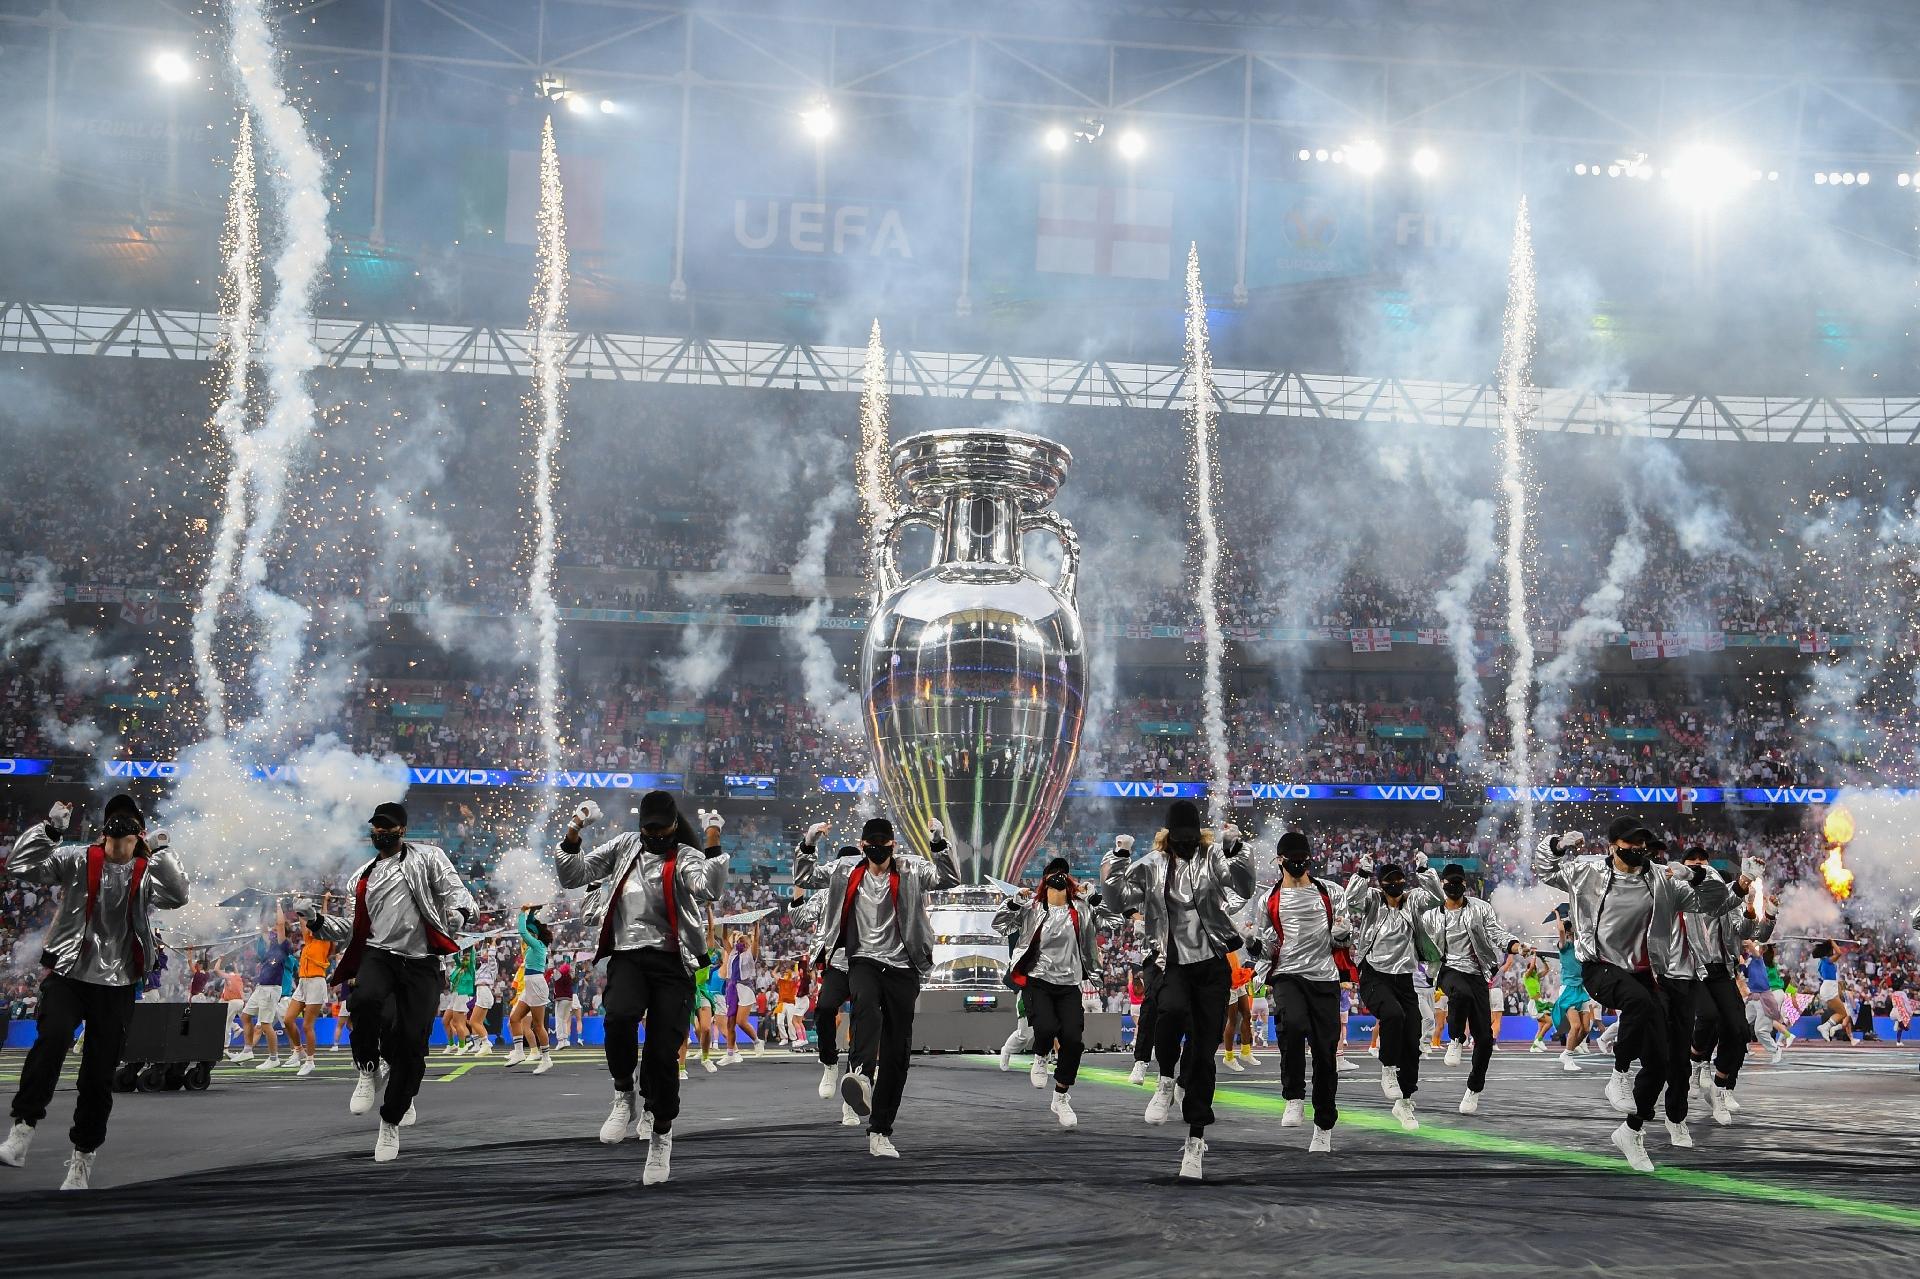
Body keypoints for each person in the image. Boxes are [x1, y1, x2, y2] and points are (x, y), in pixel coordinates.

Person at [0, 796, 189, 1190]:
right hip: (69, 974)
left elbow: (179, 895)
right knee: (50, 1043)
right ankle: (21, 1132)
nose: (119, 836)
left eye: (129, 829)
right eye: (113, 828)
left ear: (139, 836)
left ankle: (82, 1159)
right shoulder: (77, 858)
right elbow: (20, 865)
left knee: (98, 1076)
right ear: (104, 832)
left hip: (117, 984)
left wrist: (165, 852)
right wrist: (49, 831)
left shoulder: (146, 870)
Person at [1533, 820, 1738, 1173]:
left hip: (1645, 974)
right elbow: (1544, 868)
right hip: (1598, 966)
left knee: (1660, 1064)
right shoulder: (1587, 871)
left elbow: (1718, 905)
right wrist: (1556, 844)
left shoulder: (1660, 878)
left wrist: (1698, 878)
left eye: (1648, 845)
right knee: (1639, 1004)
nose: (1643, 850)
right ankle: (1620, 1074)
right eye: (1636, 844)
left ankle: (1630, 1131)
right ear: (1615, 844)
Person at [555, 792, 726, 1186]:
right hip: (629, 955)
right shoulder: (624, 847)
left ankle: (660, 1134)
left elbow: (710, 889)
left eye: (659, 828)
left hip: (672, 962)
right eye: (646, 828)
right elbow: (573, 875)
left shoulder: (685, 856)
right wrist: (574, 829)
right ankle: (623, 1095)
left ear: (672, 826)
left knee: (662, 1054)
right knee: (618, 1019)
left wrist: (713, 836)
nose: (651, 834)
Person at [299, 801, 478, 1164]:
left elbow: (457, 892)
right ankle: (366, 1067)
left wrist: (462, 913)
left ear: (402, 831)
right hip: (379, 955)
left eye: (387, 827)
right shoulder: (362, 877)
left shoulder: (429, 858)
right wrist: (316, 920)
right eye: (376, 827)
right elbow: (352, 929)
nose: (379, 832)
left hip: (422, 962)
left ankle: (391, 1119)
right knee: (362, 1001)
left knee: (411, 1046)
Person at [1100, 800, 1254, 1181]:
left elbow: (1243, 888)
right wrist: (1118, 857)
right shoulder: (1152, 865)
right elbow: (1117, 898)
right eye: (1179, 834)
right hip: (1169, 962)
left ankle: (1195, 1141)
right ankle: (1165, 1078)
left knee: (1203, 1054)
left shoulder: (1213, 856)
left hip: (1211, 964)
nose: (1186, 840)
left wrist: (1239, 851)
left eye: (1191, 833)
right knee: (1167, 1013)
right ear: (1168, 834)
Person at [805, 815, 960, 1159]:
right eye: (870, 845)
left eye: (884, 846)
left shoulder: (912, 869)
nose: (877, 851)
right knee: (865, 1008)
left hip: (903, 967)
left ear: (893, 846)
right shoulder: (846, 870)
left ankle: (880, 1131)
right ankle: (859, 1075)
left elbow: (948, 878)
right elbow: (806, 876)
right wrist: (809, 843)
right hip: (862, 960)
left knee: (898, 1052)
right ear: (862, 846)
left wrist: (938, 841)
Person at [1245, 830, 1354, 1152]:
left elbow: (1342, 940)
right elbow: (1267, 948)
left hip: (1324, 979)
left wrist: (1344, 935)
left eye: (1302, 859)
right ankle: (1293, 1096)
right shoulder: (1269, 900)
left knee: (1325, 1052)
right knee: (1291, 1028)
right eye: (1291, 859)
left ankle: (1323, 1125)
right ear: (1280, 861)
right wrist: (1252, 945)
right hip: (1288, 975)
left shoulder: (1331, 892)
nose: (1298, 864)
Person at [994, 857, 1101, 1130]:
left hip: (1068, 985)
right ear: (1044, 880)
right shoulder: (1031, 906)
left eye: (1063, 875)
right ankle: (1040, 1057)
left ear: (1070, 881)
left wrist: (1095, 900)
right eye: (1053, 875)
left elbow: (1111, 921)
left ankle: (1061, 1096)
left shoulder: (1081, 908)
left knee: (1073, 1041)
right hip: (1038, 980)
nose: (1058, 879)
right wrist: (1013, 903)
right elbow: (999, 926)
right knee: (1044, 1027)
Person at [1422, 862, 1528, 1116]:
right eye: (1449, 883)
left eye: (1459, 882)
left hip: (1478, 973)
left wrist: (1514, 945)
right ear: (1443, 885)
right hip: (1446, 970)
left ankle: (1473, 1089)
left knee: (1485, 1039)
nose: (1454, 886)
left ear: (1465, 885)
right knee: (1460, 994)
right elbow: (1422, 946)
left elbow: (1496, 933)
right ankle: (1456, 1037)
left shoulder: (1480, 909)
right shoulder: (1430, 916)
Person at [1345, 852, 1440, 1131]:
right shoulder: (1372, 899)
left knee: (1413, 1041)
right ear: (1381, 884)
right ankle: (1387, 1069)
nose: (1396, 886)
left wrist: (1425, 869)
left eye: (1400, 880)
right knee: (1393, 1015)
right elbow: (1351, 900)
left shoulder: (1413, 901)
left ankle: (1405, 1101)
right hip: (1374, 976)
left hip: (1404, 979)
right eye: (1390, 882)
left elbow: (1435, 897)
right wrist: (1361, 874)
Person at [793, 829, 870, 1123]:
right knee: (824, 1009)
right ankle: (829, 1062)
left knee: (863, 1028)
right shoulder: (827, 894)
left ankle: (852, 1097)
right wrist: (799, 888)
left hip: (867, 965)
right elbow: (800, 919)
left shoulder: (872, 888)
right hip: (838, 964)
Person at [238, 914, 294, 1067]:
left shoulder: (284, 944)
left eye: (275, 928)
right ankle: (248, 1050)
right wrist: (264, 910)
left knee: (265, 1024)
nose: (272, 930)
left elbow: (281, 925)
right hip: (261, 987)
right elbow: (263, 929)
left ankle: (274, 1059)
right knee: (245, 1016)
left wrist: (277, 904)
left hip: (271, 988)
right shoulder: (272, 946)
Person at [505, 905, 555, 1073]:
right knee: (514, 1018)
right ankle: (519, 1052)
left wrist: (521, 913)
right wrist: (531, 912)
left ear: (534, 934)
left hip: (536, 985)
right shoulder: (537, 944)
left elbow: (523, 931)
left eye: (529, 932)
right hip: (530, 984)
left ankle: (546, 1059)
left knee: (538, 1025)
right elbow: (531, 925)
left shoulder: (537, 945)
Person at [284, 911, 334, 1076]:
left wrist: (325, 902)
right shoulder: (309, 940)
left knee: (307, 1025)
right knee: (288, 1019)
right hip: (303, 983)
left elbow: (324, 920)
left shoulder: (325, 941)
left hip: (316, 983)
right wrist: (301, 910)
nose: (309, 929)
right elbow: (304, 924)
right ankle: (298, 1051)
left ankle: (310, 1060)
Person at [1545, 907, 1592, 1072]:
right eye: (1569, 930)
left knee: (1586, 1029)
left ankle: (1567, 1052)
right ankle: (1568, 1058)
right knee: (1576, 1026)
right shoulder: (1563, 946)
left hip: (1581, 989)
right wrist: (1558, 916)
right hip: (1568, 990)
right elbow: (1560, 930)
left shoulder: (1580, 948)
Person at [721, 931, 761, 1063]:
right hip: (732, 988)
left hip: (745, 989)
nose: (740, 943)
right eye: (738, 941)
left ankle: (756, 1041)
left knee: (741, 1021)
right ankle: (730, 1054)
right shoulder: (732, 953)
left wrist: (756, 926)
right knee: (730, 1023)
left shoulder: (750, 955)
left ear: (748, 944)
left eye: (743, 942)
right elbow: (724, 939)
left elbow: (756, 941)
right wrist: (725, 925)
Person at [1813, 941, 1854, 1042]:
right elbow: (1839, 953)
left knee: (1842, 1013)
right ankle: (1825, 1027)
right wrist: (1831, 942)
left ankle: (1825, 1027)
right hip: (1829, 987)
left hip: (1830, 987)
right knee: (1843, 1013)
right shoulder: (1826, 960)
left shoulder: (1823, 961)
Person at [440, 946, 477, 1055]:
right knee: (445, 1021)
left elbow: (472, 958)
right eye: (464, 957)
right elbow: (456, 957)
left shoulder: (471, 970)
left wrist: (472, 947)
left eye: (467, 957)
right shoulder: (459, 968)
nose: (465, 958)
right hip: (454, 996)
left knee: (458, 1023)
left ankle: (462, 1046)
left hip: (463, 996)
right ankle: (451, 1045)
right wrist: (459, 946)